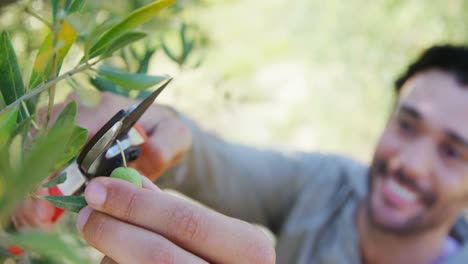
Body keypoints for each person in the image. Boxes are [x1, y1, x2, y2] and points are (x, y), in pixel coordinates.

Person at [10, 45, 468, 263]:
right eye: (407, 124)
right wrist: (157, 129)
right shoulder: (329, 185)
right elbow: (211, 162)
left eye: (453, 152)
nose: (410, 163)